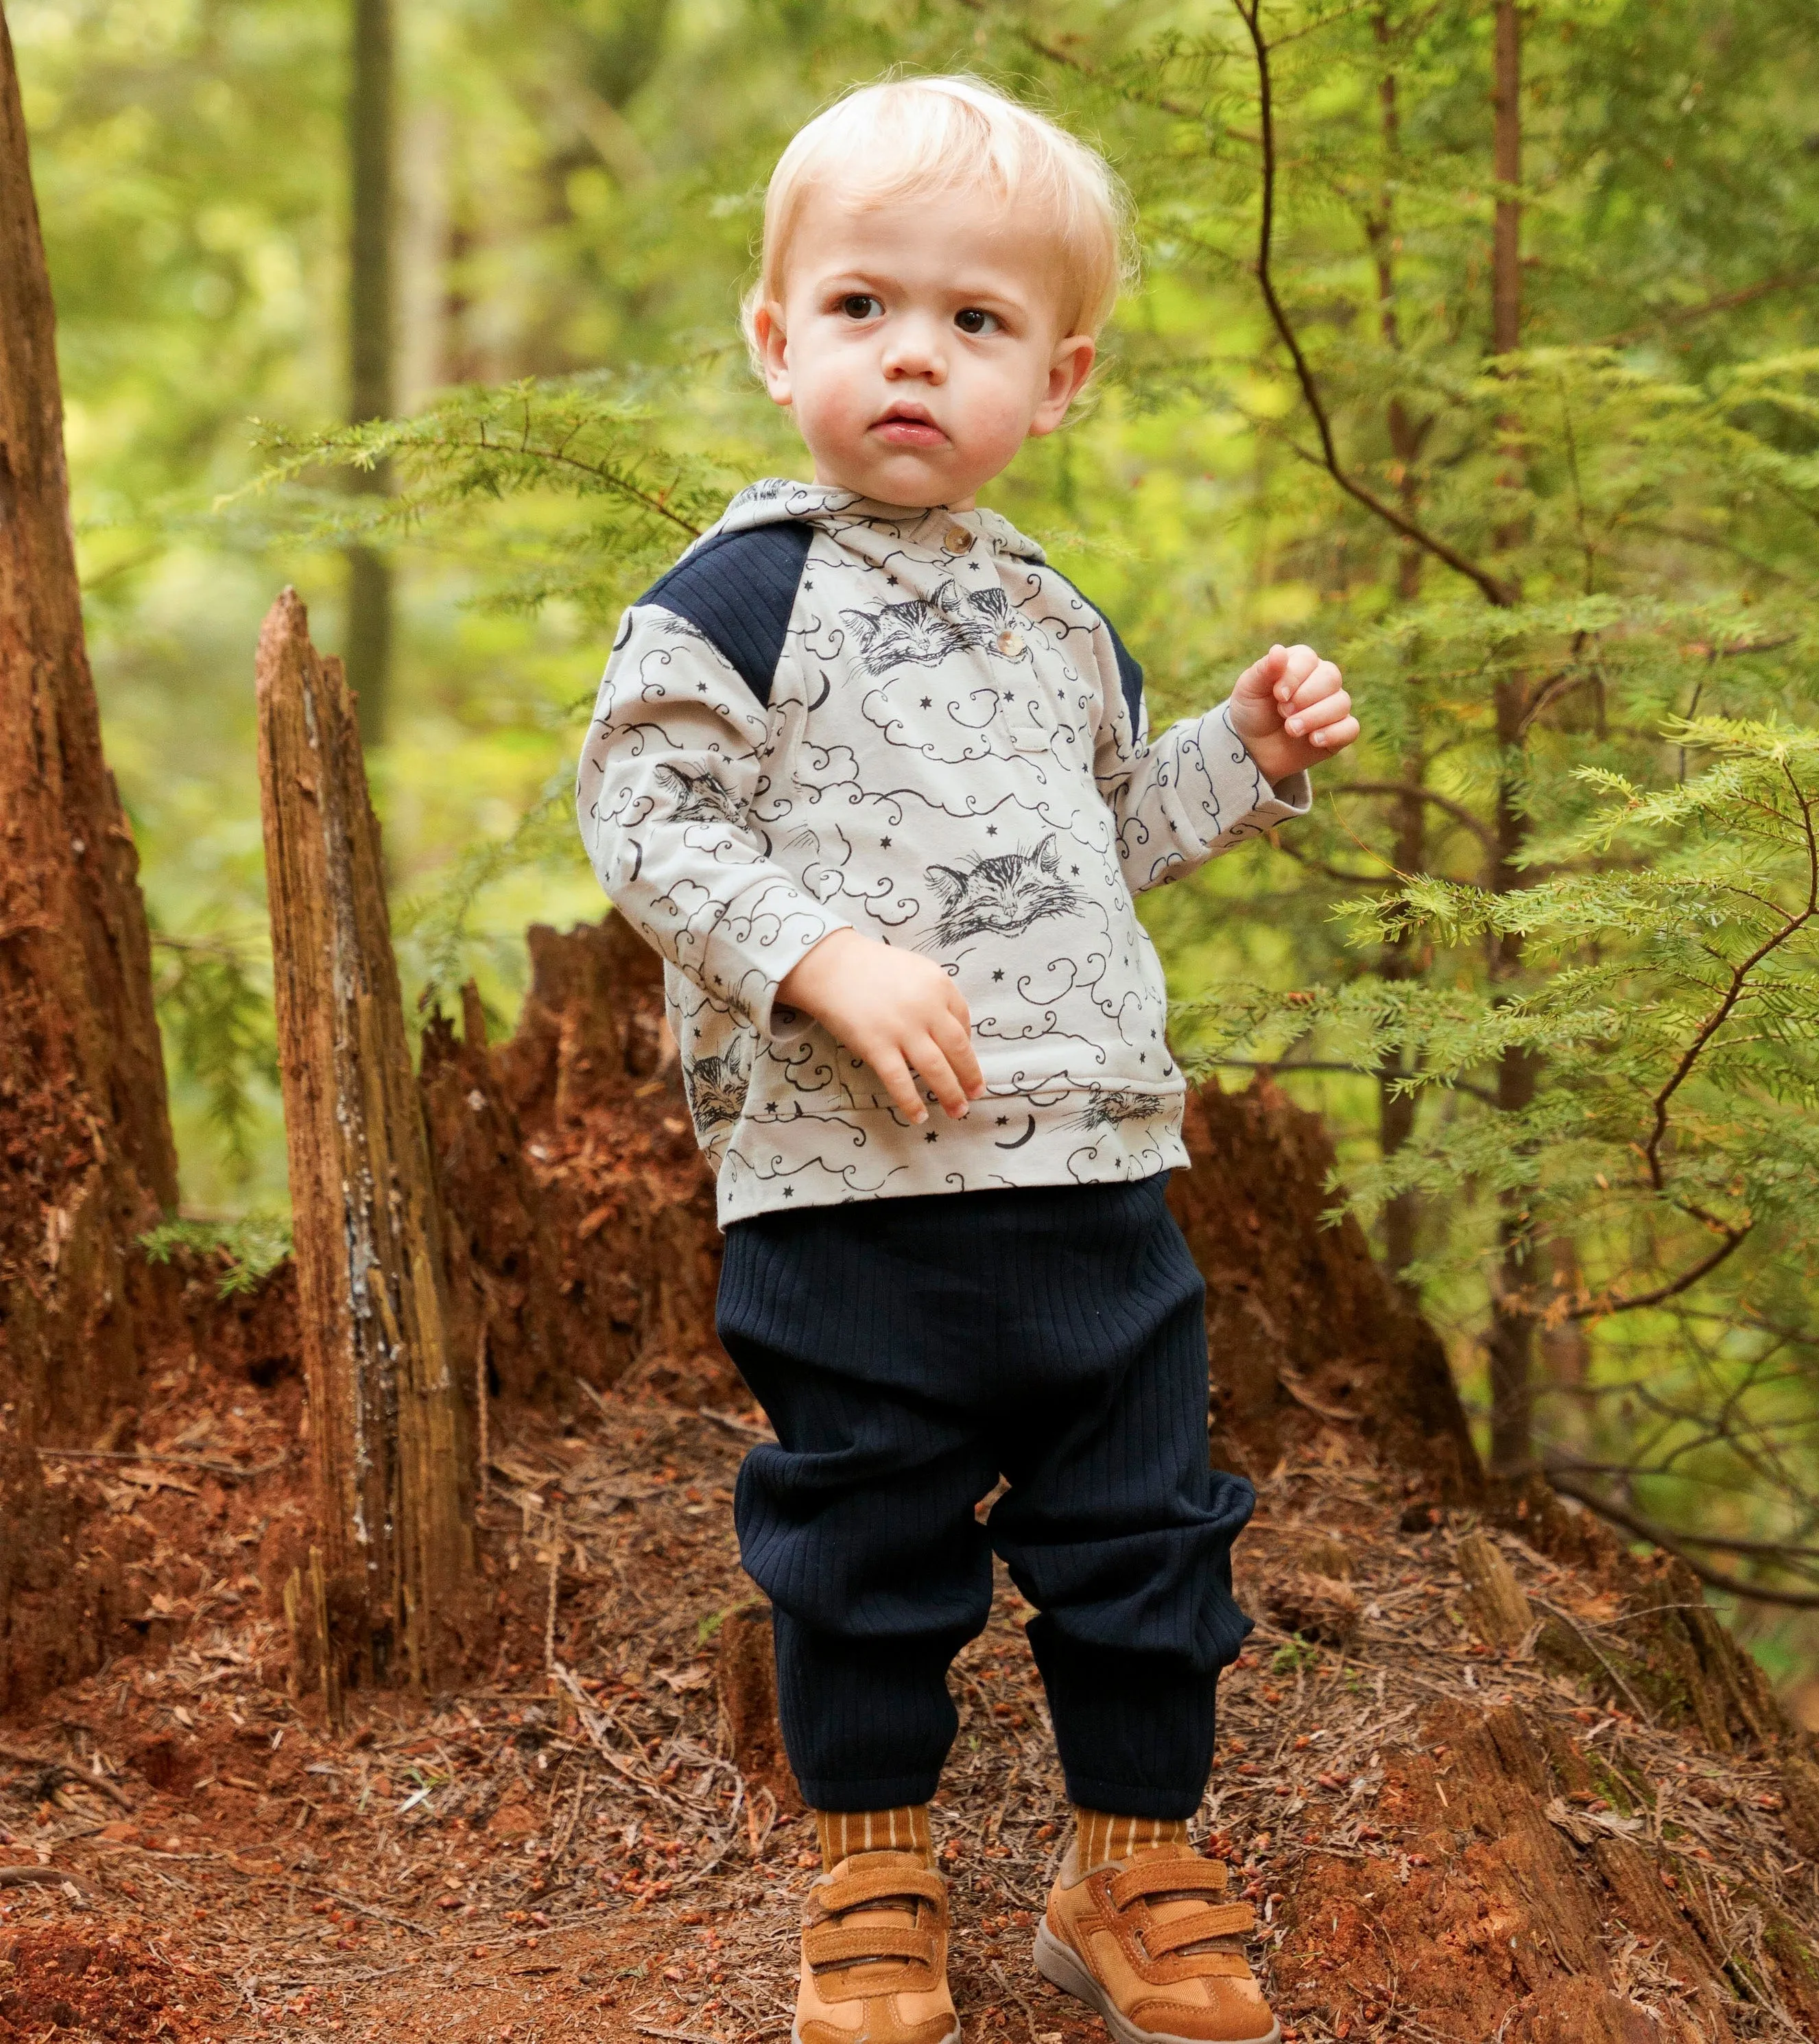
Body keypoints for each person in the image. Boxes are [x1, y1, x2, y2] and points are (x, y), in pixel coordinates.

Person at [577, 72, 1359, 2044]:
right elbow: (648, 824)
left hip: (1091, 1174)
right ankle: (870, 1876)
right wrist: (820, 951)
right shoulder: (732, 597)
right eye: (861, 309)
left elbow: (1109, 838)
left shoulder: (1054, 617)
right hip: (850, 1194)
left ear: (1057, 379)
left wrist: (1242, 763)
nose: (912, 354)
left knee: (1141, 1527)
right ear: (776, 340)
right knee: (863, 1537)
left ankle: (1128, 1861)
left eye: (974, 323)